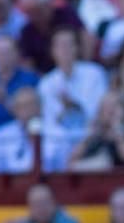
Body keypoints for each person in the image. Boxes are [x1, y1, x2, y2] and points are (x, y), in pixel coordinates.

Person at [38, 26, 108, 156]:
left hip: (91, 139)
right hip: (59, 143)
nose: (64, 50)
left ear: (77, 48)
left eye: (68, 45)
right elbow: (50, 122)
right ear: (53, 51)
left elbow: (97, 114)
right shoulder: (46, 83)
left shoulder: (95, 74)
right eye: (60, 46)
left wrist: (74, 105)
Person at [17, 0, 90, 74]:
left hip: (78, 70)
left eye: (37, 10)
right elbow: (27, 63)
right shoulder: (27, 31)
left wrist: (86, 66)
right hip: (46, 77)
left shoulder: (66, 14)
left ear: (48, 5)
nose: (34, 16)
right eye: (29, 12)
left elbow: (86, 37)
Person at [67, 91, 124, 170]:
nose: (109, 111)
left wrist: (117, 128)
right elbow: (71, 162)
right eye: (105, 107)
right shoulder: (95, 137)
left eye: (113, 107)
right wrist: (88, 137)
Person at [0, 86, 42, 173]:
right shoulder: (2, 134)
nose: (26, 111)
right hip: (9, 184)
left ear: (39, 107)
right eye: (21, 106)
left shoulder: (55, 132)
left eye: (30, 105)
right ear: (15, 110)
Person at [0, 182, 82, 223]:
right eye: (36, 204)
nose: (41, 208)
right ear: (30, 208)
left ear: (54, 203)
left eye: (44, 203)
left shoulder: (68, 221)